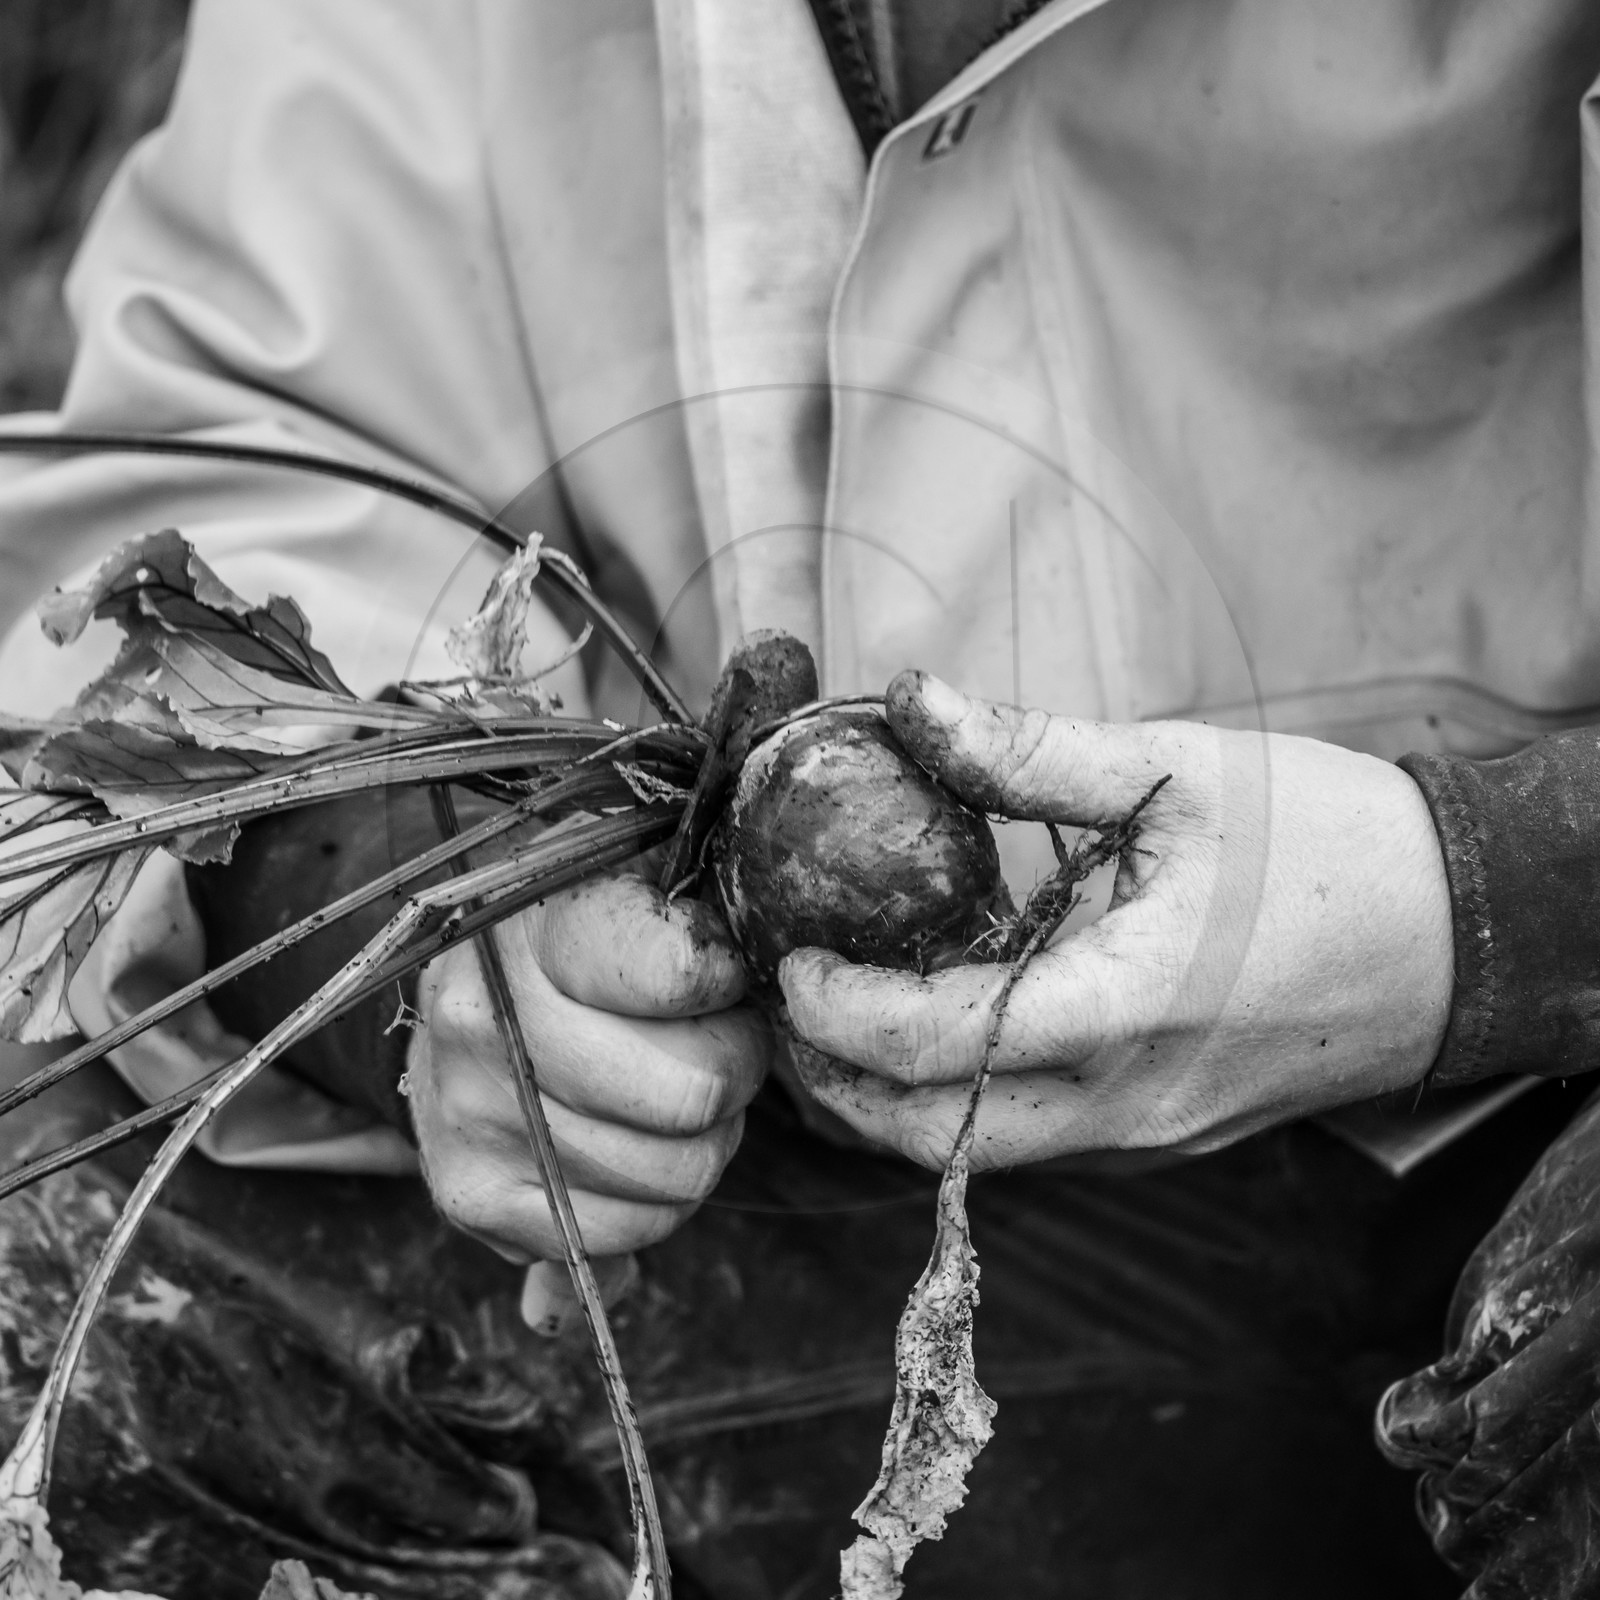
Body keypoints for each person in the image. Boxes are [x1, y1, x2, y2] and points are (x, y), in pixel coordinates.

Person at [3, 3, 1600, 1596]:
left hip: (1507, 1115)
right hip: (775, 1163)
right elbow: (237, 479)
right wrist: (424, 919)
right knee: (59, 1311)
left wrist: (1472, 906)